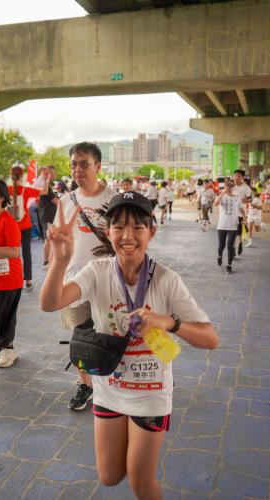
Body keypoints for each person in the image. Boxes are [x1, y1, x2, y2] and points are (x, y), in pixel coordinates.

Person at [40, 191, 218, 500]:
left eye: (138, 226)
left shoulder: (166, 280)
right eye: (119, 226)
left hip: (151, 396)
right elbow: (50, 302)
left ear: (152, 231)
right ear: (107, 232)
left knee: (140, 482)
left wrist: (168, 322)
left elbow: (210, 338)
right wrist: (60, 261)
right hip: (109, 391)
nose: (128, 235)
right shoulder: (97, 272)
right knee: (109, 476)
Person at [54, 142, 115, 411]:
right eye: (73, 164)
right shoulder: (66, 202)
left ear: (98, 166)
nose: (77, 169)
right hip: (73, 281)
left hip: (107, 282)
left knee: (110, 333)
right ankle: (86, 385)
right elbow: (61, 242)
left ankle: (115, 383)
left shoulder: (114, 200)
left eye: (84, 164)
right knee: (80, 337)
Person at [0, 178, 23, 368]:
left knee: (5, 318)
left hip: (8, 280)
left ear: (2, 196)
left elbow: (14, 251)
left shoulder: (7, 221)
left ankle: (8, 350)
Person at [8, 163, 49, 289]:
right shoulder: (26, 190)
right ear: (22, 176)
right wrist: (46, 179)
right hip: (25, 225)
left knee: (12, 253)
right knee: (27, 253)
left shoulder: (6, 189)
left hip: (10, 225)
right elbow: (45, 191)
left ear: (11, 175)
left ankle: (14, 278)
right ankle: (28, 280)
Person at [214, 179, 246, 274]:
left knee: (230, 246)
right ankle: (220, 255)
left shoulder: (237, 198)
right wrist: (223, 192)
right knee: (221, 245)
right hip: (222, 225)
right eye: (227, 185)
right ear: (225, 186)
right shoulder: (222, 196)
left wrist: (244, 218)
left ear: (234, 187)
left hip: (233, 225)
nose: (229, 187)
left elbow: (242, 209)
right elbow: (216, 203)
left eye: (231, 185)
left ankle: (229, 265)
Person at [37, 166, 59, 269]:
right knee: (48, 238)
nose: (54, 174)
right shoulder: (46, 187)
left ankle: (48, 260)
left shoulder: (46, 186)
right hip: (47, 215)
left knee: (49, 238)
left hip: (48, 215)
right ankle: (46, 261)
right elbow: (55, 201)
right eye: (52, 173)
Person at [233, 169, 252, 255]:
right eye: (235, 175)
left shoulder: (246, 188)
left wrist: (241, 200)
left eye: (239, 176)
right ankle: (234, 246)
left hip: (241, 213)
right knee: (232, 232)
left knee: (238, 232)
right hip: (230, 214)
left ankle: (239, 244)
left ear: (242, 177)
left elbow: (250, 200)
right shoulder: (231, 186)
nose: (236, 177)